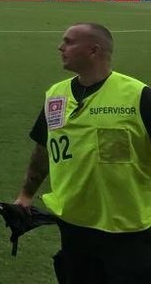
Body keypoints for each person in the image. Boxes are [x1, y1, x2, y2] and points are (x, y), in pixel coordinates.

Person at [14, 23, 151, 282]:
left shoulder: (139, 96)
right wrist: (25, 195)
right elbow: (43, 149)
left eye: (69, 42)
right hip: (75, 224)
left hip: (129, 229)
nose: (60, 47)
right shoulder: (56, 94)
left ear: (93, 50)